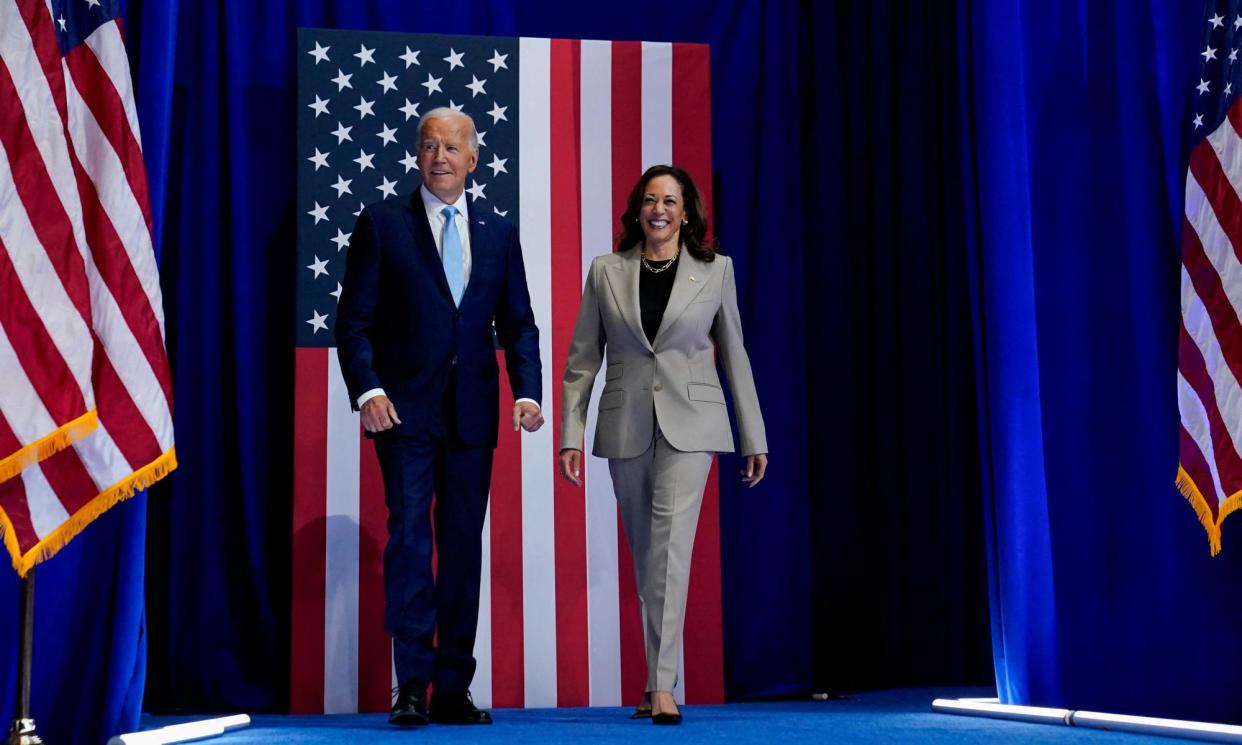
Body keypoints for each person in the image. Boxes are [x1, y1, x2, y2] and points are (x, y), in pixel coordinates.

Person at [336, 107, 544, 727]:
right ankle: (411, 686)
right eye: (429, 146)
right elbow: (354, 322)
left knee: (460, 550)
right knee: (409, 543)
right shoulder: (382, 224)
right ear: (417, 156)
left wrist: (526, 391)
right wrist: (367, 389)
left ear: (473, 159)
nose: (440, 156)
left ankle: (453, 687)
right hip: (403, 414)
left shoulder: (499, 232)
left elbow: (519, 323)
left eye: (452, 146)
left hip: (474, 415)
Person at [559, 164, 768, 725]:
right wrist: (570, 435)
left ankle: (663, 686)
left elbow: (736, 356)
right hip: (625, 424)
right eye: (650, 200)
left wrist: (754, 435)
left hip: (693, 426)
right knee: (647, 554)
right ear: (637, 209)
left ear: (686, 212)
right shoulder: (606, 270)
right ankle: (654, 679)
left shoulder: (714, 270)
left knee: (672, 550)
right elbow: (582, 361)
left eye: (670, 201)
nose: (659, 210)